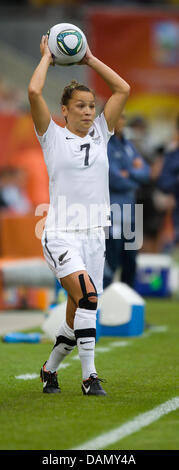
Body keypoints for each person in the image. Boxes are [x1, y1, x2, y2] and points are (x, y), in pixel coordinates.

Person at [28, 34, 130, 396]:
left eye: (91, 106)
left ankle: (49, 369)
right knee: (88, 298)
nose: (89, 111)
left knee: (80, 310)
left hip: (94, 236)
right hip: (61, 233)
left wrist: (88, 58)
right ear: (65, 110)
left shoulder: (103, 133)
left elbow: (122, 89)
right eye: (81, 106)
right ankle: (89, 377)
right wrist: (47, 58)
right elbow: (34, 93)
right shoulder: (52, 137)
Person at [103, 113, 150, 289]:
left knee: (131, 263)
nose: (120, 121)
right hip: (112, 213)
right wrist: (133, 176)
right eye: (117, 116)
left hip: (131, 214)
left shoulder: (129, 145)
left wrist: (128, 173)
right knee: (111, 262)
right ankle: (103, 308)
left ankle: (127, 307)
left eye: (123, 117)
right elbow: (114, 179)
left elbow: (146, 173)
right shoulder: (104, 145)